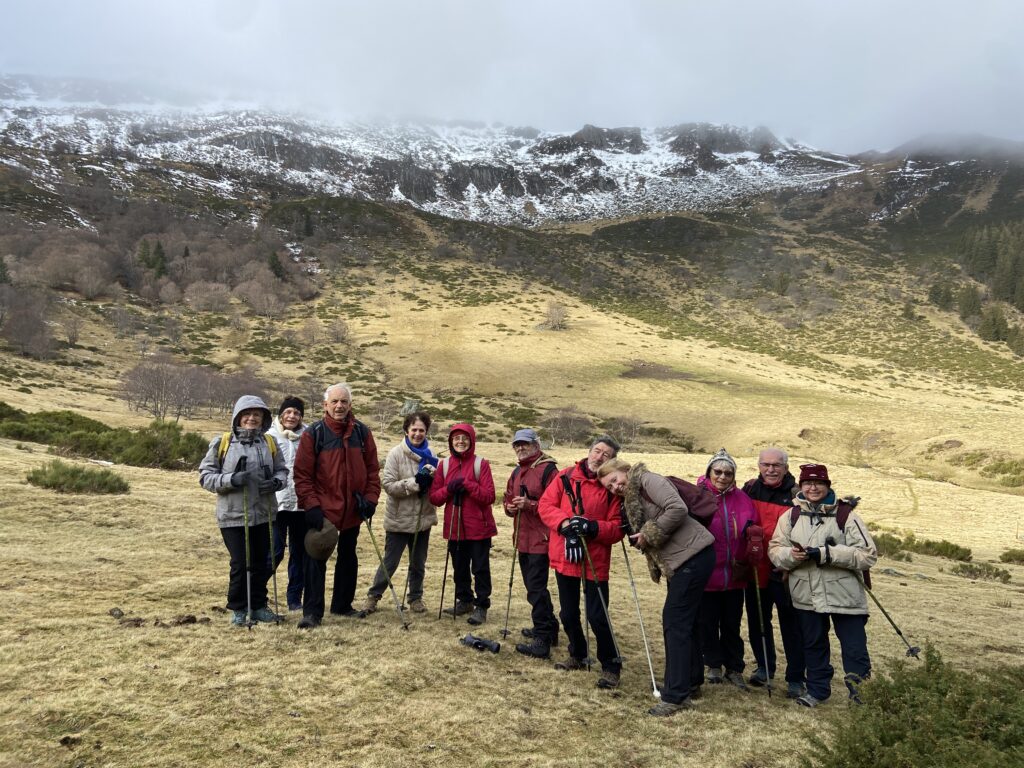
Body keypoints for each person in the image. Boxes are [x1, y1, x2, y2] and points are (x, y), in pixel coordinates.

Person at [598, 458, 715, 716]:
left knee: (675, 622)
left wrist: (649, 533)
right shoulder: (632, 498)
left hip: (693, 557)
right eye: (610, 486)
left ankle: (675, 696)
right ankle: (690, 682)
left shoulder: (648, 480)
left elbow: (677, 508)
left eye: (616, 479)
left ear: (626, 470)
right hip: (685, 560)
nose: (616, 487)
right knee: (688, 621)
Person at [769, 463, 877, 708]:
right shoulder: (791, 516)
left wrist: (826, 554)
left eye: (818, 483)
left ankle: (860, 695)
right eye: (807, 483)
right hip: (806, 594)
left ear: (827, 485)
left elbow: (867, 555)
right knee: (813, 644)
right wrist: (789, 556)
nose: (813, 487)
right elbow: (775, 549)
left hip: (845, 595)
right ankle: (817, 691)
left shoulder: (846, 515)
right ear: (801, 485)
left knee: (854, 648)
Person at [537, 435, 625, 689]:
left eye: (606, 455)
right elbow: (546, 505)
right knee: (568, 613)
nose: (599, 457)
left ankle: (611, 664)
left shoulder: (612, 487)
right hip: (566, 556)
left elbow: (617, 529)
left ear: (612, 460)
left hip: (595, 561)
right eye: (597, 451)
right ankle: (577, 653)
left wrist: (592, 527)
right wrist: (566, 525)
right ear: (589, 451)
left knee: (598, 617)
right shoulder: (564, 477)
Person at [292, 383, 381, 629]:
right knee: (315, 556)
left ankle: (342, 605)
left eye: (344, 402)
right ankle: (312, 612)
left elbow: (373, 470)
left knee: (348, 557)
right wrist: (310, 505)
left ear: (350, 405)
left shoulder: (362, 433)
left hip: (354, 508)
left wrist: (371, 500)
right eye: (335, 402)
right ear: (325, 405)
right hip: (323, 508)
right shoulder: (314, 434)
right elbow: (302, 474)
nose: (339, 406)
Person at [199, 395, 288, 626]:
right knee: (241, 562)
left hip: (264, 513)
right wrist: (231, 479)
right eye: (247, 414)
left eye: (257, 415)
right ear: (238, 417)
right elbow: (206, 477)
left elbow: (282, 471)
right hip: (233, 515)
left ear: (264, 419)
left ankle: (258, 606)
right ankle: (238, 608)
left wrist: (276, 482)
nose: (252, 418)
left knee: (261, 562)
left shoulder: (270, 443)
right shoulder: (222, 443)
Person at [742, 447, 806, 697]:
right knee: (758, 621)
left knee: (792, 625)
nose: (770, 469)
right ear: (759, 466)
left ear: (786, 468)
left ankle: (796, 678)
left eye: (776, 465)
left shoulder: (797, 495)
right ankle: (764, 667)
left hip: (786, 570)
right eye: (766, 465)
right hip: (756, 569)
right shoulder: (749, 490)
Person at [362, 411, 439, 615]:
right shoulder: (396, 454)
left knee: (418, 563)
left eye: (421, 430)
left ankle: (415, 599)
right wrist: (415, 483)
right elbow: (388, 485)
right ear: (406, 430)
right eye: (414, 429)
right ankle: (373, 597)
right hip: (399, 519)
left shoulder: (432, 457)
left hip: (422, 519)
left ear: (426, 432)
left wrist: (430, 484)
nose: (417, 433)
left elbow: (437, 488)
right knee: (390, 562)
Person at [697, 448, 758, 689]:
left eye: (728, 472)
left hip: (735, 574)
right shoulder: (698, 496)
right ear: (709, 472)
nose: (722, 476)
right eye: (718, 471)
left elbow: (753, 527)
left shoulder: (743, 499)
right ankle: (712, 663)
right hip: (707, 572)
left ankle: (734, 667)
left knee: (732, 624)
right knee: (707, 622)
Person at [429, 423, 497, 625]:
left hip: (479, 527)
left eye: (464, 438)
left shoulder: (480, 464)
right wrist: (449, 489)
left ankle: (481, 605)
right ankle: (465, 600)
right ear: (451, 442)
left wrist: (467, 484)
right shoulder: (444, 465)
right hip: (454, 527)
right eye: (456, 438)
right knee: (459, 567)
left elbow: (489, 496)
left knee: (480, 568)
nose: (460, 441)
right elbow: (435, 498)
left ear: (472, 440)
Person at [502, 428, 559, 659]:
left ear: (537, 445)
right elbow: (507, 499)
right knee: (533, 587)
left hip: (541, 540)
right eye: (517, 445)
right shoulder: (517, 472)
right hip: (522, 539)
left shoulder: (549, 471)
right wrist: (511, 507)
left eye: (524, 444)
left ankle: (542, 639)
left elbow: (556, 506)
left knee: (535, 589)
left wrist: (531, 505)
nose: (520, 448)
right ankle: (549, 627)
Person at [268, 396, 308, 612]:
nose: (292, 416)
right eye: (288, 412)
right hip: (277, 503)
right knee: (274, 551)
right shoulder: (269, 435)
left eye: (297, 413)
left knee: (299, 553)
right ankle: (259, 593)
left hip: (301, 504)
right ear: (281, 414)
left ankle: (294, 599)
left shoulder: (309, 435)